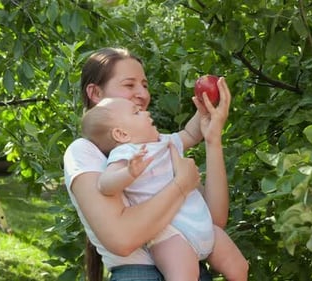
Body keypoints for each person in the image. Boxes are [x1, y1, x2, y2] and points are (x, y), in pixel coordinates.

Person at [63, 47, 234, 281]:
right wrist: (180, 186)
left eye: (144, 85)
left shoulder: (156, 147)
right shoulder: (84, 151)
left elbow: (214, 220)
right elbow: (122, 240)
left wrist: (213, 138)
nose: (142, 94)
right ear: (95, 92)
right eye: (129, 85)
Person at [81, 97, 248, 281]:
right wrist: (129, 172)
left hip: (203, 224)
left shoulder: (164, 141)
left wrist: (202, 112)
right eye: (136, 112)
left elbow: (191, 134)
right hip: (170, 236)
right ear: (121, 134)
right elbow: (105, 184)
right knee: (184, 277)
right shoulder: (126, 153)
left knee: (239, 268)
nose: (146, 112)